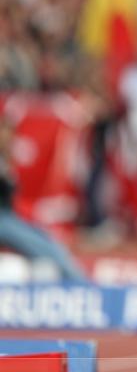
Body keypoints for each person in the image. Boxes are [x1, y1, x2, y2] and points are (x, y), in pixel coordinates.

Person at [0, 116, 87, 282]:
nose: (7, 139)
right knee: (47, 249)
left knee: (47, 241)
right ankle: (81, 284)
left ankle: (77, 280)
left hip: (9, 218)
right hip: (3, 222)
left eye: (9, 134)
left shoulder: (6, 162)